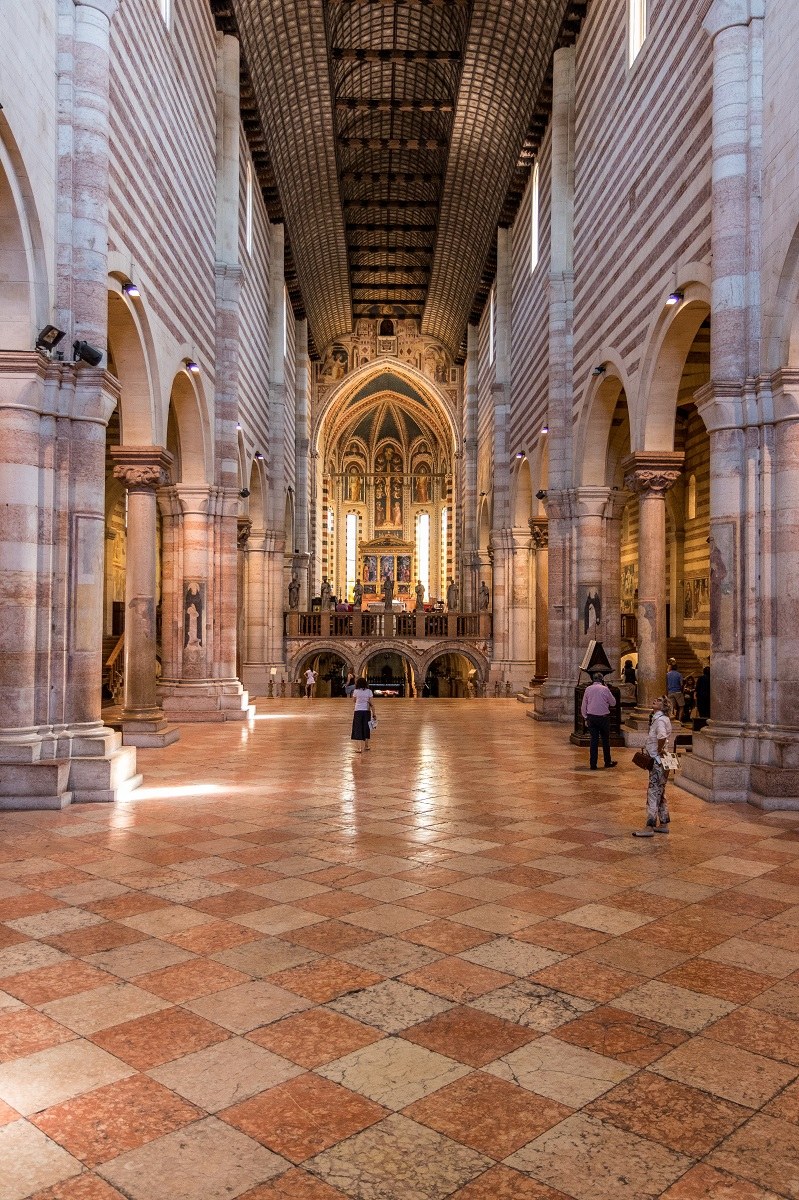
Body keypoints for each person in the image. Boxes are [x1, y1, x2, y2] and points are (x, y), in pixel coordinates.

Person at [634, 695, 673, 836]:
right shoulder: (660, 718)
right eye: (655, 699)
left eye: (659, 700)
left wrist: (658, 750)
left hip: (658, 760)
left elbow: (662, 736)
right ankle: (663, 823)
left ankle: (649, 826)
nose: (655, 700)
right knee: (660, 791)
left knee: (653, 791)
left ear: (664, 706)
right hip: (664, 760)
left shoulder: (660, 720)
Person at [580, 672, 617, 770]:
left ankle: (593, 764)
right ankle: (607, 761)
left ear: (593, 679)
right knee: (605, 740)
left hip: (591, 717)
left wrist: (585, 717)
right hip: (603, 718)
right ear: (602, 679)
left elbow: (584, 705)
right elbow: (613, 703)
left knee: (593, 741)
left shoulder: (588, 689)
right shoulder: (605, 689)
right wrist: (607, 689)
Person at [351, 675, 375, 754]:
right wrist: (374, 714)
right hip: (367, 711)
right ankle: (366, 746)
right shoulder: (369, 691)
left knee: (358, 728)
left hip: (358, 711)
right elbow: (371, 703)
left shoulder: (356, 691)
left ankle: (359, 748)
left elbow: (354, 700)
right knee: (366, 727)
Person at [666, 658, 684, 724]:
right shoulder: (679, 674)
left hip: (670, 692)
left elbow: (666, 684)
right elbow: (681, 684)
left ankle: (671, 719)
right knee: (681, 706)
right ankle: (679, 720)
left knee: (671, 707)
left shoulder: (667, 674)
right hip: (678, 692)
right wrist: (682, 690)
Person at [694, 664, 710, 730]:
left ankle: (702, 724)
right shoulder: (712, 678)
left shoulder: (700, 678)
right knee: (708, 711)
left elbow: (697, 687)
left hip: (701, 696)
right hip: (709, 697)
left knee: (702, 711)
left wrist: (695, 695)